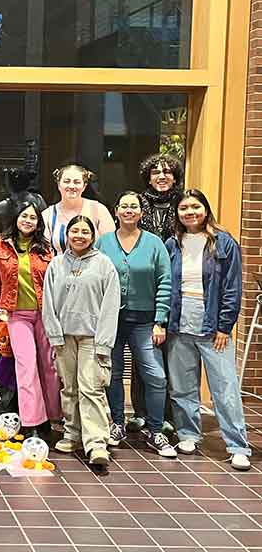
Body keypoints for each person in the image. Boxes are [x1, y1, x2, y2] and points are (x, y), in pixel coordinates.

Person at [165, 189, 251, 471]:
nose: (190, 212)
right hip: (179, 325)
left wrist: (225, 325)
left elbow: (232, 288)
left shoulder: (223, 242)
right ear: (177, 213)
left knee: (224, 388)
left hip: (214, 328)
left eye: (195, 207)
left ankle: (237, 445)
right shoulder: (172, 243)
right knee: (182, 386)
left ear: (205, 209)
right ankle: (188, 434)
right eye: (184, 208)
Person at [96, 192, 175, 457]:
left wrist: (160, 321)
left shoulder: (154, 244)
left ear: (141, 213)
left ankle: (155, 431)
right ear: (116, 211)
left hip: (146, 322)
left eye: (134, 207)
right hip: (111, 322)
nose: (129, 210)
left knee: (155, 375)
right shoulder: (103, 243)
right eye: (124, 206)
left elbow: (165, 282)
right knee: (114, 374)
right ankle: (117, 423)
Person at [42, 216, 120, 468]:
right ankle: (72, 433)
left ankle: (97, 443)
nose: (79, 236)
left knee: (91, 388)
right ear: (67, 234)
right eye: (74, 230)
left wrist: (104, 342)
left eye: (85, 231)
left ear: (93, 235)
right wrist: (54, 335)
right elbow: (48, 304)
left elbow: (110, 307)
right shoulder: (56, 265)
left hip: (92, 338)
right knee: (69, 388)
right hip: (64, 337)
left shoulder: (104, 265)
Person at [0, 202, 61, 438]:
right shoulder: (0, 244)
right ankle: (32, 424)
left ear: (39, 223)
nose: (28, 220)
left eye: (33, 217)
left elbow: (55, 286)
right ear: (15, 218)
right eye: (24, 216)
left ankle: (53, 418)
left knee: (49, 369)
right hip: (16, 316)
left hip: (45, 314)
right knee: (26, 367)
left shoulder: (46, 249)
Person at [127, 153, 183, 433]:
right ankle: (140, 411)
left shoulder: (183, 203)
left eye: (167, 171)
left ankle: (168, 414)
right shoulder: (138, 204)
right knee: (142, 353)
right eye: (155, 172)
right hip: (144, 285)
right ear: (147, 177)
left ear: (175, 176)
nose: (161, 176)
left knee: (170, 353)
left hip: (177, 283)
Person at [42, 163, 115, 254]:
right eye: (67, 181)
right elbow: (44, 252)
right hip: (58, 267)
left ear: (84, 186)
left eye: (76, 182)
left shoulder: (99, 210)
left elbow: (110, 247)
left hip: (94, 266)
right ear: (58, 184)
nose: (72, 186)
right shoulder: (47, 214)